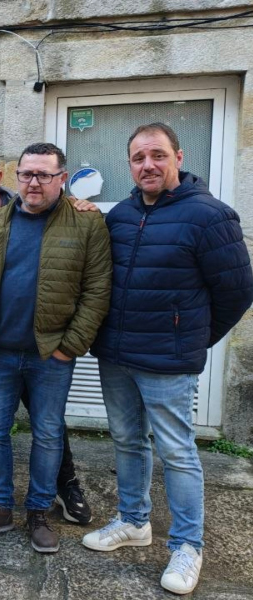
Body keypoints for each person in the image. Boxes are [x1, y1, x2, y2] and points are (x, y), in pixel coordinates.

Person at [84, 123, 253, 595]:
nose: (148, 165)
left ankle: (188, 545)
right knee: (127, 441)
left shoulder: (210, 216)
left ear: (178, 156)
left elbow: (237, 293)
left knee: (177, 453)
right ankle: (134, 522)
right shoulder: (118, 216)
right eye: (138, 158)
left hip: (168, 361)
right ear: (130, 165)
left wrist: (189, 339)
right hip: (116, 354)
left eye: (157, 155)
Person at [0, 143, 112, 554]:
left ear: (62, 178)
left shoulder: (86, 224)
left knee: (47, 434)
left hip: (50, 356)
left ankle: (39, 512)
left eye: (44, 175)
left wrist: (70, 346)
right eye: (27, 174)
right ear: (15, 176)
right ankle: (0, 510)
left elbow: (97, 291)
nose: (34, 183)